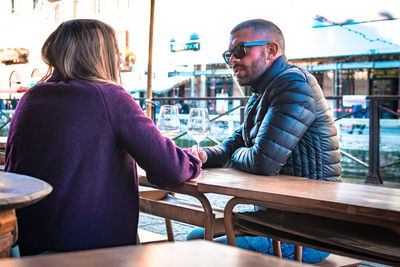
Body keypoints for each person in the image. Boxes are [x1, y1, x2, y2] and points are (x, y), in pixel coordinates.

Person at [5, 19, 202, 256]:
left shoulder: (32, 97)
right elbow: (169, 169)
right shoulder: (108, 96)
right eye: (115, 51)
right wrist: (192, 158)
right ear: (101, 56)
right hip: (91, 248)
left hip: (28, 242)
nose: (119, 59)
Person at [187, 19, 341, 263]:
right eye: (229, 55)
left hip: (310, 232)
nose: (233, 61)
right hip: (278, 220)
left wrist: (236, 155)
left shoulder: (293, 85)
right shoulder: (262, 94)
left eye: (240, 51)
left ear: (271, 50)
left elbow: (262, 162)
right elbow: (232, 145)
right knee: (196, 236)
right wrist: (205, 156)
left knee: (199, 248)